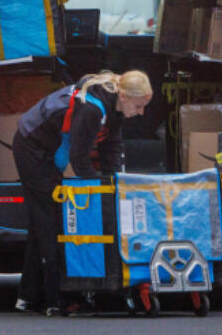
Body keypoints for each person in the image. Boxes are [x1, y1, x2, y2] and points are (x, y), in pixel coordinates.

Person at [12, 70, 153, 316]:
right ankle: (57, 299)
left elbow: (111, 147)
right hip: (32, 149)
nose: (142, 112)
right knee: (51, 222)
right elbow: (79, 158)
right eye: (139, 106)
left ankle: (28, 296)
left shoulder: (115, 109)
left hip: (46, 150)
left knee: (40, 223)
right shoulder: (92, 109)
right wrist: (99, 191)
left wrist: (113, 184)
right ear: (123, 95)